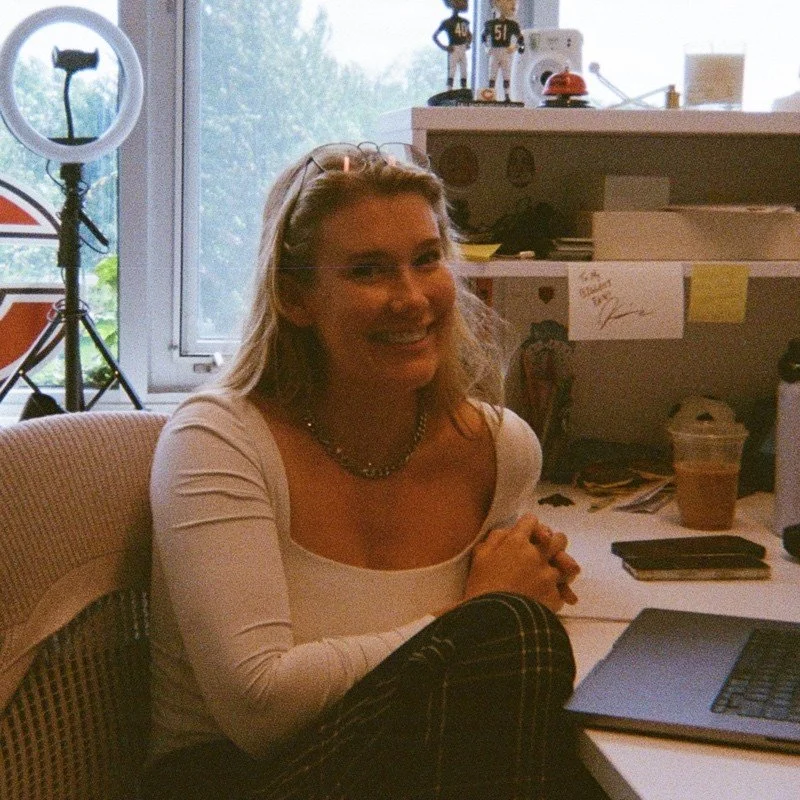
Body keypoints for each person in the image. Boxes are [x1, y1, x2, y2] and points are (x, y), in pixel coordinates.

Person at [142, 141, 584, 800]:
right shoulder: (218, 440)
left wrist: (530, 584)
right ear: (296, 298)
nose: (411, 298)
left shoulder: (500, 448)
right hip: (236, 779)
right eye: (367, 270)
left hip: (404, 771)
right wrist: (480, 615)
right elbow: (258, 711)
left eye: (426, 259)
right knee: (514, 634)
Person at [481, 0, 525, 101]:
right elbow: (483, 37)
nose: (513, 4)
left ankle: (507, 96)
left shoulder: (512, 24)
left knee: (506, 74)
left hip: (505, 51)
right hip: (495, 50)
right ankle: (490, 95)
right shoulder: (490, 24)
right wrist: (486, 47)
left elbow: (521, 39)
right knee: (492, 74)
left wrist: (514, 47)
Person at [432, 0, 473, 91]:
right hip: (454, 47)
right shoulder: (447, 22)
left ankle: (464, 88)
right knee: (452, 69)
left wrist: (468, 43)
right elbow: (435, 36)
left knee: (464, 68)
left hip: (462, 47)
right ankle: (449, 88)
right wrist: (444, 47)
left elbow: (470, 35)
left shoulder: (465, 22)